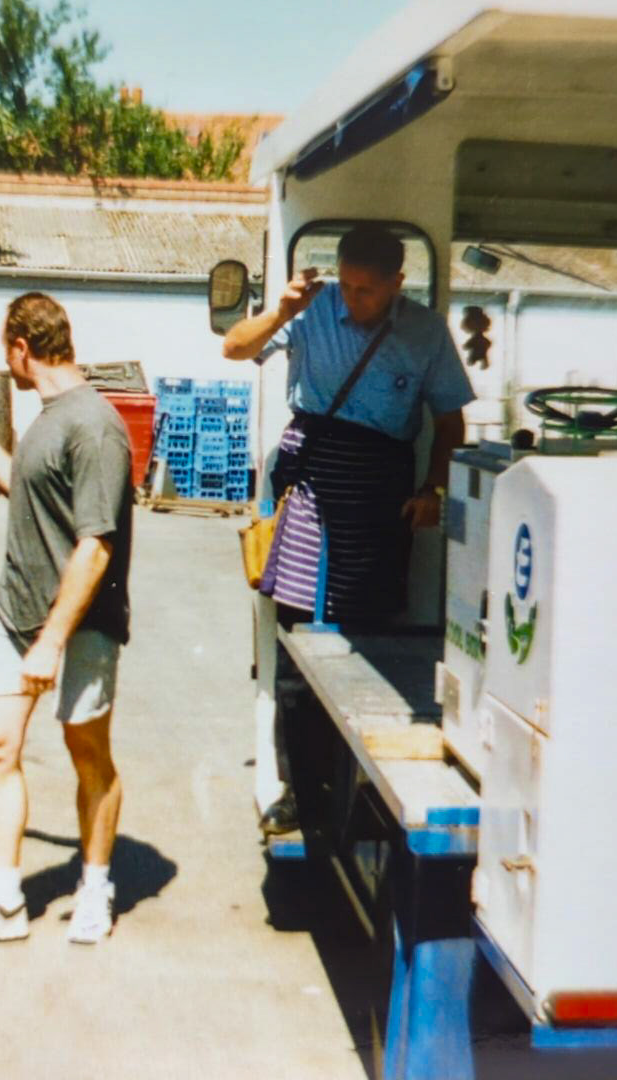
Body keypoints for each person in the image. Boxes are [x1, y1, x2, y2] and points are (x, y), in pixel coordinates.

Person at [220, 225, 474, 836]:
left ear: (397, 285)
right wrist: (281, 308)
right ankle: (296, 789)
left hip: (381, 486)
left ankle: (353, 785)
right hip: (311, 478)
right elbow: (234, 346)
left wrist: (433, 489)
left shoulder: (425, 333)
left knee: (365, 642)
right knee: (298, 638)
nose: (353, 300)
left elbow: (448, 424)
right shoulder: (310, 309)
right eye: (347, 285)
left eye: (367, 291)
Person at [0, 292, 134, 947]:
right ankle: (4, 898)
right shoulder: (48, 417)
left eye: (6, 352)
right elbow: (28, 488)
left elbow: (95, 543)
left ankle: (96, 883)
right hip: (13, 609)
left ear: (22, 348)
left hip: (79, 623)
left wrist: (52, 639)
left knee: (87, 754)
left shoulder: (94, 424)